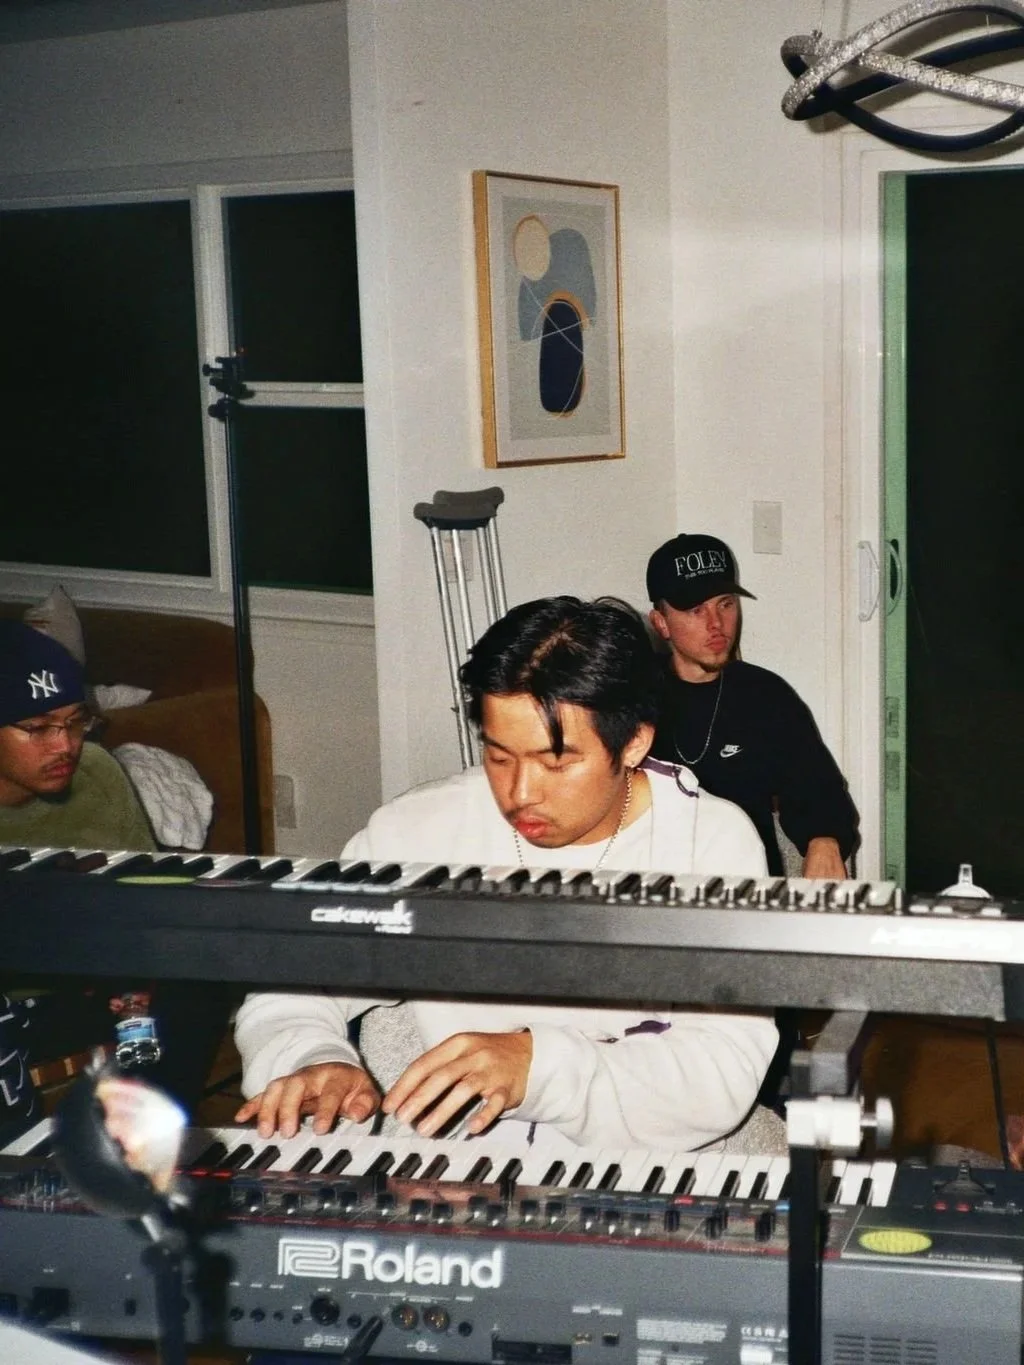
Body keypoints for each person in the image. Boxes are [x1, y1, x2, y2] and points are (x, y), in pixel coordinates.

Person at [235, 596, 778, 1156]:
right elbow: (295, 977)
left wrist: (536, 1066)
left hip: (655, 1152)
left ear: (635, 741)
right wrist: (310, 1057)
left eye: (556, 763)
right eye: (499, 756)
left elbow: (722, 1067)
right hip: (457, 1155)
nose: (519, 794)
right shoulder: (416, 832)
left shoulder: (710, 843)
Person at [645, 534, 859, 879]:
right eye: (696, 610)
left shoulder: (764, 695)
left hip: (748, 888)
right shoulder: (634, 694)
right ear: (661, 623)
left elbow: (817, 784)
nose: (716, 624)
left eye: (726, 604)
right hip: (658, 889)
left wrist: (825, 839)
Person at [0, 619, 154, 850]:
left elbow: (148, 881)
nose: (65, 746)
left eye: (75, 722)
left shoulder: (96, 770)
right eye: (39, 728)